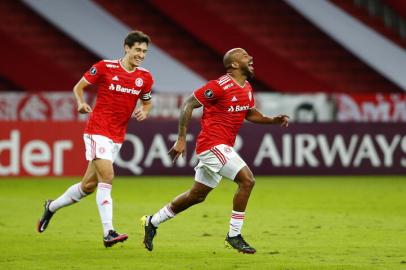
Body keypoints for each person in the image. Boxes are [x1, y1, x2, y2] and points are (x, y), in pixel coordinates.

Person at [141, 48, 289, 254]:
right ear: (235, 64)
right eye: (245, 56)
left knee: (196, 195)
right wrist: (181, 139)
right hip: (212, 146)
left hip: (222, 146)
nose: (251, 58)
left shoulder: (246, 87)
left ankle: (152, 221)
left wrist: (272, 120)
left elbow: (249, 113)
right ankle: (234, 235)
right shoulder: (219, 86)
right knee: (247, 180)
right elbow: (188, 105)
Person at [37, 30, 154, 248]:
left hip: (117, 136)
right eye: (137, 49)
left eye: (144, 51)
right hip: (97, 130)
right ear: (126, 48)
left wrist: (145, 110)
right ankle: (109, 232)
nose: (141, 54)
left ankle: (51, 207)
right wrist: (80, 103)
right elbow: (79, 87)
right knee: (107, 177)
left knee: (88, 186)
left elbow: (147, 101)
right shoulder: (105, 67)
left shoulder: (144, 77)